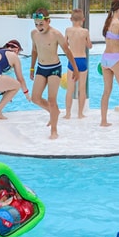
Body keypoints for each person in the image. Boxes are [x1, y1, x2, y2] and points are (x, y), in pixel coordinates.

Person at [29, 9, 79, 140]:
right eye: (36, 24)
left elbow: (68, 52)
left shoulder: (56, 34)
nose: (39, 27)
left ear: (48, 21)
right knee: (35, 98)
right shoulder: (34, 34)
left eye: (41, 24)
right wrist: (32, 68)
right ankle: (53, 112)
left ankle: (54, 130)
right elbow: (34, 51)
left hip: (54, 69)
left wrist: (75, 69)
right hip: (41, 67)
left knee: (52, 100)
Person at [64, 8, 92, 119]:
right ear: (83, 19)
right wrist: (84, 41)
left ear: (71, 19)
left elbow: (65, 45)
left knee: (70, 89)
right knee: (82, 89)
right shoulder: (85, 32)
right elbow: (89, 46)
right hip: (82, 60)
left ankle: (67, 114)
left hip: (72, 60)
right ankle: (80, 114)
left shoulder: (68, 30)